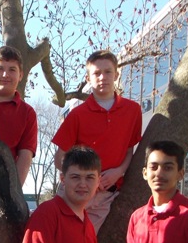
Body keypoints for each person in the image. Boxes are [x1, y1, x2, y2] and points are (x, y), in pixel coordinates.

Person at [52, 49, 142, 233]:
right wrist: (85, 178)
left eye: (108, 72)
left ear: (116, 74)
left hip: (105, 195)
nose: (103, 77)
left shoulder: (133, 110)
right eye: (96, 73)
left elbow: (129, 150)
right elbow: (59, 159)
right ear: (88, 78)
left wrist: (119, 171)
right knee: (59, 239)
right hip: (74, 193)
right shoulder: (77, 114)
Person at [0, 45, 38, 186]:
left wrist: (15, 192)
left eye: (12, 70)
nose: (5, 75)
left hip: (3, 183)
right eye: (0, 69)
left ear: (21, 75)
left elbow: (25, 156)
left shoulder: (27, 113)